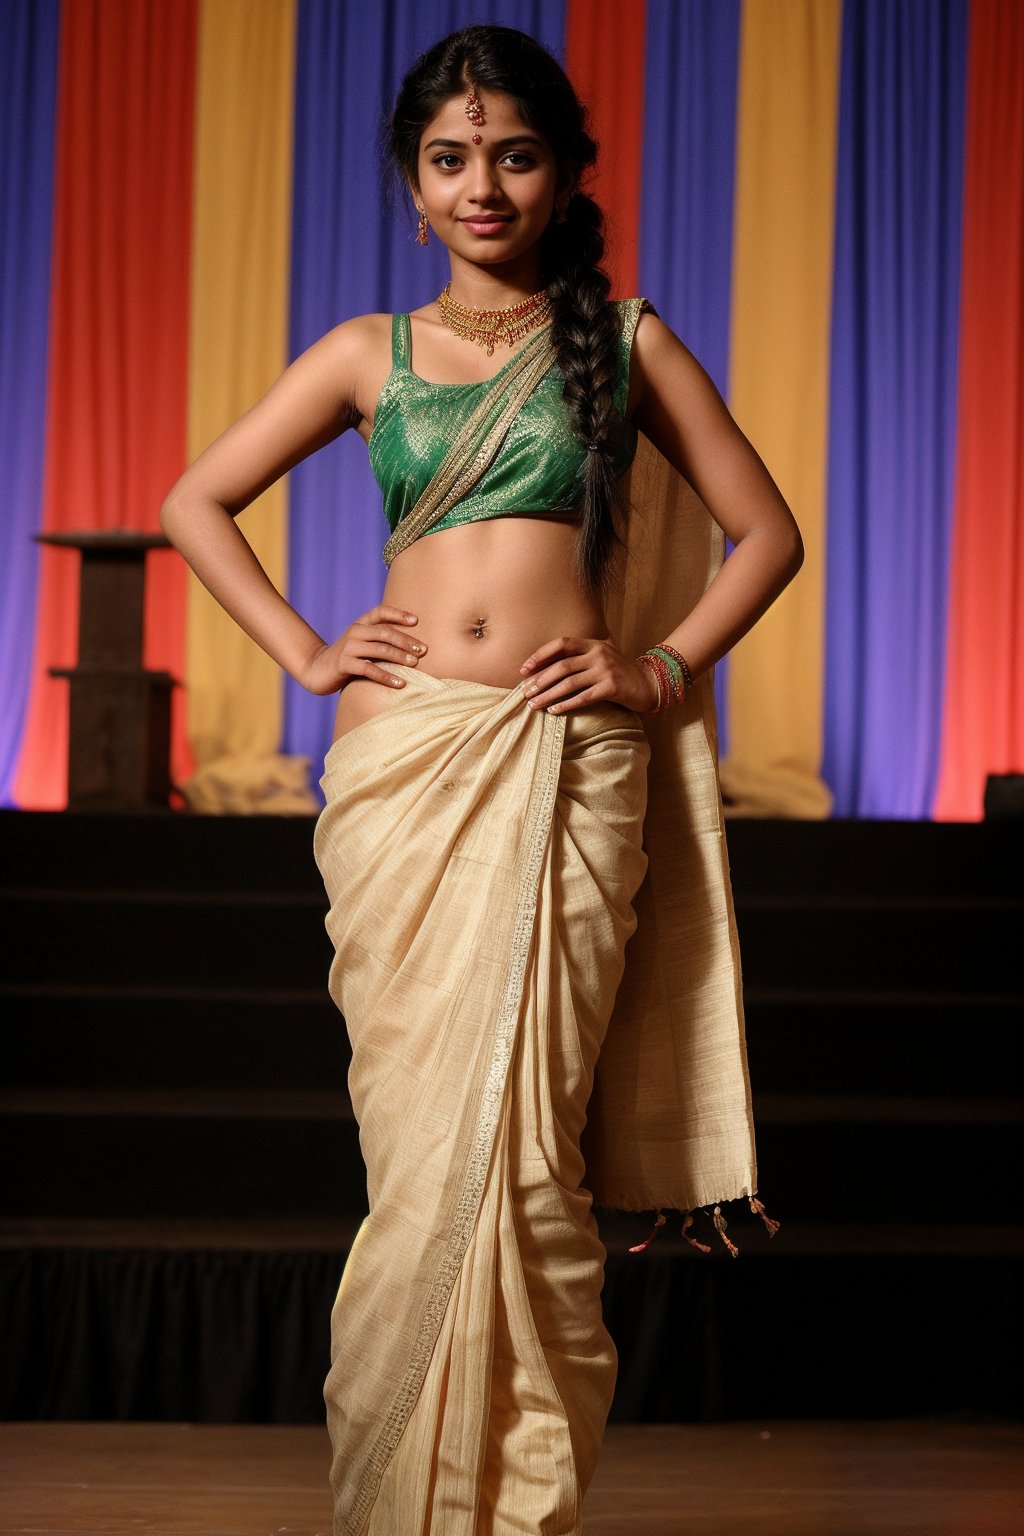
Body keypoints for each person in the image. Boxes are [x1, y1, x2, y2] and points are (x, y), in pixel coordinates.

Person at [160, 23, 802, 1536]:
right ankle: (398, 1499)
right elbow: (196, 500)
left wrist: (658, 668)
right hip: (407, 770)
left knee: (525, 1149)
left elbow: (765, 530)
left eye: (513, 153)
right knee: (419, 1148)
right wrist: (310, 652)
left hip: (565, 766)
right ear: (413, 181)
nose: (482, 184)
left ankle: (510, 1509)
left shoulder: (627, 337)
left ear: (566, 168)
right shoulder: (361, 354)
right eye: (451, 158)